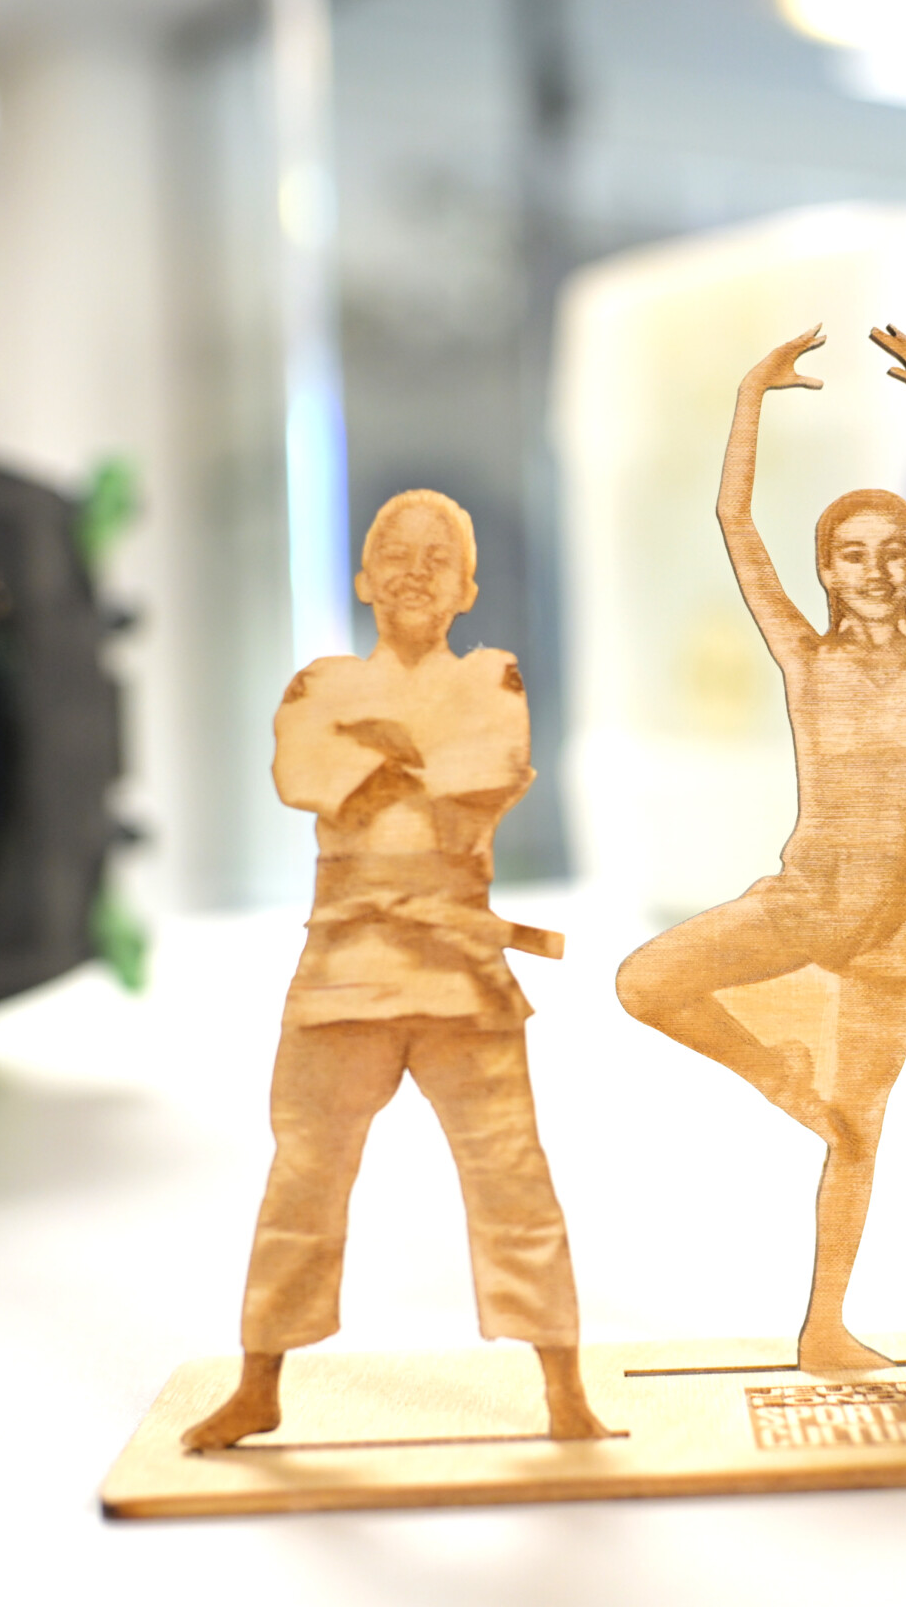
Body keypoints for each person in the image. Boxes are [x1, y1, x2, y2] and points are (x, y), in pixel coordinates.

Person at [182, 489, 610, 1449]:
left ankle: (564, 1388)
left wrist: (381, 751)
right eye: (395, 555)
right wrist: (396, 756)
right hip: (345, 970)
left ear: (467, 588)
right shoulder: (319, 685)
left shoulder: (494, 677)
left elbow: (483, 769)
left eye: (437, 558)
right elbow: (300, 773)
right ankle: (259, 1383)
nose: (415, 572)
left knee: (512, 1173)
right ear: (363, 578)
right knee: (304, 1174)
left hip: (460, 976)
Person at [615, 324, 906, 1373]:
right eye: (851, 553)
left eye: (894, 550)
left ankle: (825, 1326)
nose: (875, 570)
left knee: (859, 1129)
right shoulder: (802, 656)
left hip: (897, 922)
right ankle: (776, 1070)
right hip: (805, 898)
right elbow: (734, 520)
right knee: (646, 981)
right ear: (824, 570)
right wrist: (750, 394)